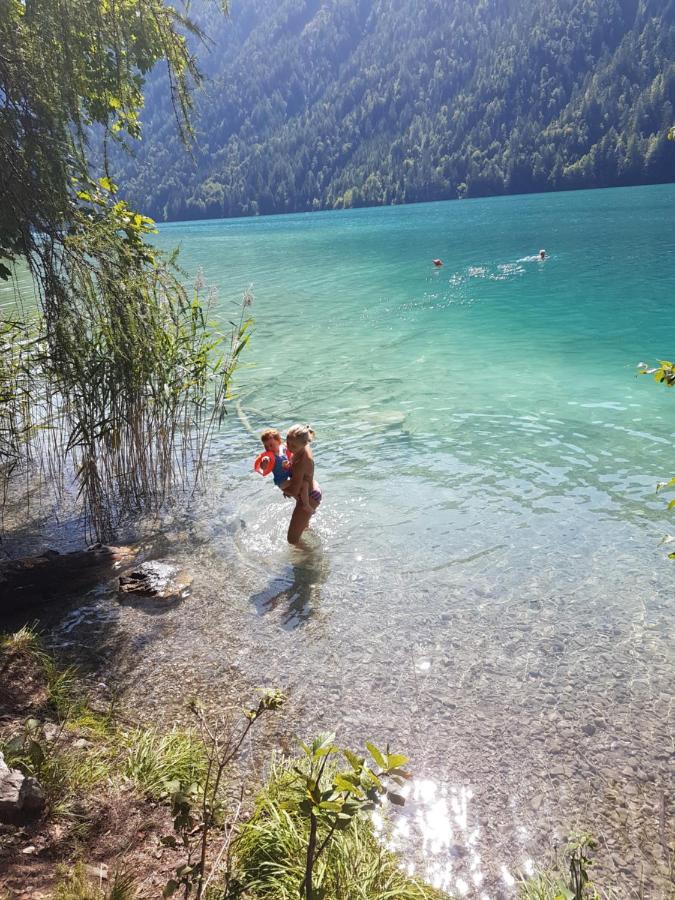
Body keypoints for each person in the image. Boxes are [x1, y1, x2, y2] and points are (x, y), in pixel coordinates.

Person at [282, 424, 321, 544]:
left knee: (292, 539)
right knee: (303, 529)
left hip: (309, 497)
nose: (288, 447)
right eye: (287, 442)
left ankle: (308, 560)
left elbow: (294, 490)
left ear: (304, 443)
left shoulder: (301, 463)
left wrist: (283, 487)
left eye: (293, 445)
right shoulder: (303, 447)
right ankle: (312, 548)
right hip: (311, 489)